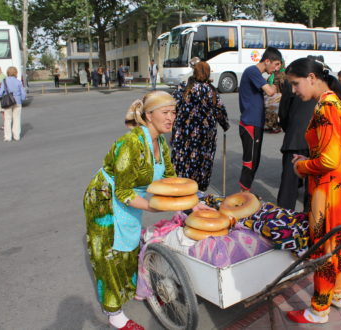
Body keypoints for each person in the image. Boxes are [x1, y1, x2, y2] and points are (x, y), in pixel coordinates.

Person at [84, 91, 210, 330]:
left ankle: (132, 289)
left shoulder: (160, 143)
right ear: (149, 115)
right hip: (105, 199)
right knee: (109, 253)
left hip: (132, 198)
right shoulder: (130, 143)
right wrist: (154, 206)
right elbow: (122, 192)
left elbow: (172, 179)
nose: (171, 118)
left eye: (173, 112)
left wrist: (193, 204)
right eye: (165, 112)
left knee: (130, 245)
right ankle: (114, 313)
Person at [285, 57, 341, 324]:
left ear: (312, 78)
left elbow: (327, 160)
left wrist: (300, 165)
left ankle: (318, 309)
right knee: (339, 243)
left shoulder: (326, 107)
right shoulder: (336, 103)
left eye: (295, 83)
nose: (294, 90)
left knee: (325, 247)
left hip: (328, 190)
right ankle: (337, 293)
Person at [171, 61, 229, 195]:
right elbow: (221, 112)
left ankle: (181, 191)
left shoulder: (184, 87)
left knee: (183, 162)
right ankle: (197, 193)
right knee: (201, 164)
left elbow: (171, 104)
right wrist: (225, 125)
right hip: (204, 137)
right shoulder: (211, 91)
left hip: (183, 135)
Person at [238, 47, 282, 191]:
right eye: (275, 65)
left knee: (255, 160)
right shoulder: (252, 71)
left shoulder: (257, 75)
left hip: (255, 123)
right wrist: (275, 82)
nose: (276, 69)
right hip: (249, 123)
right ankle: (243, 195)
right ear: (267, 61)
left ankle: (246, 193)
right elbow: (270, 91)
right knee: (250, 161)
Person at [277, 79, 315, 211]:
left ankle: (283, 220)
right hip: (314, 140)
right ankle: (308, 222)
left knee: (288, 185)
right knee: (312, 187)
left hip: (295, 138)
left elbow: (283, 112)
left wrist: (290, 129)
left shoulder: (292, 81)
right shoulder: (320, 83)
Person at [0, 66, 26, 142]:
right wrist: (20, 99)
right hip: (17, 102)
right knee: (16, 119)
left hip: (7, 102)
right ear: (15, 73)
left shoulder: (4, 81)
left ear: (8, 72)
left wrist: (1, 97)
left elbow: (0, 93)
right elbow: (23, 94)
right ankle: (16, 136)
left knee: (7, 119)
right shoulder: (19, 82)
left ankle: (8, 137)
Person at [264, 60, 285, 133]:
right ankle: (271, 126)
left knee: (275, 112)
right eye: (276, 64)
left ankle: (277, 127)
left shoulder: (283, 74)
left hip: (278, 96)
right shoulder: (273, 74)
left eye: (279, 64)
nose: (277, 66)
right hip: (271, 96)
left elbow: (283, 86)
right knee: (269, 111)